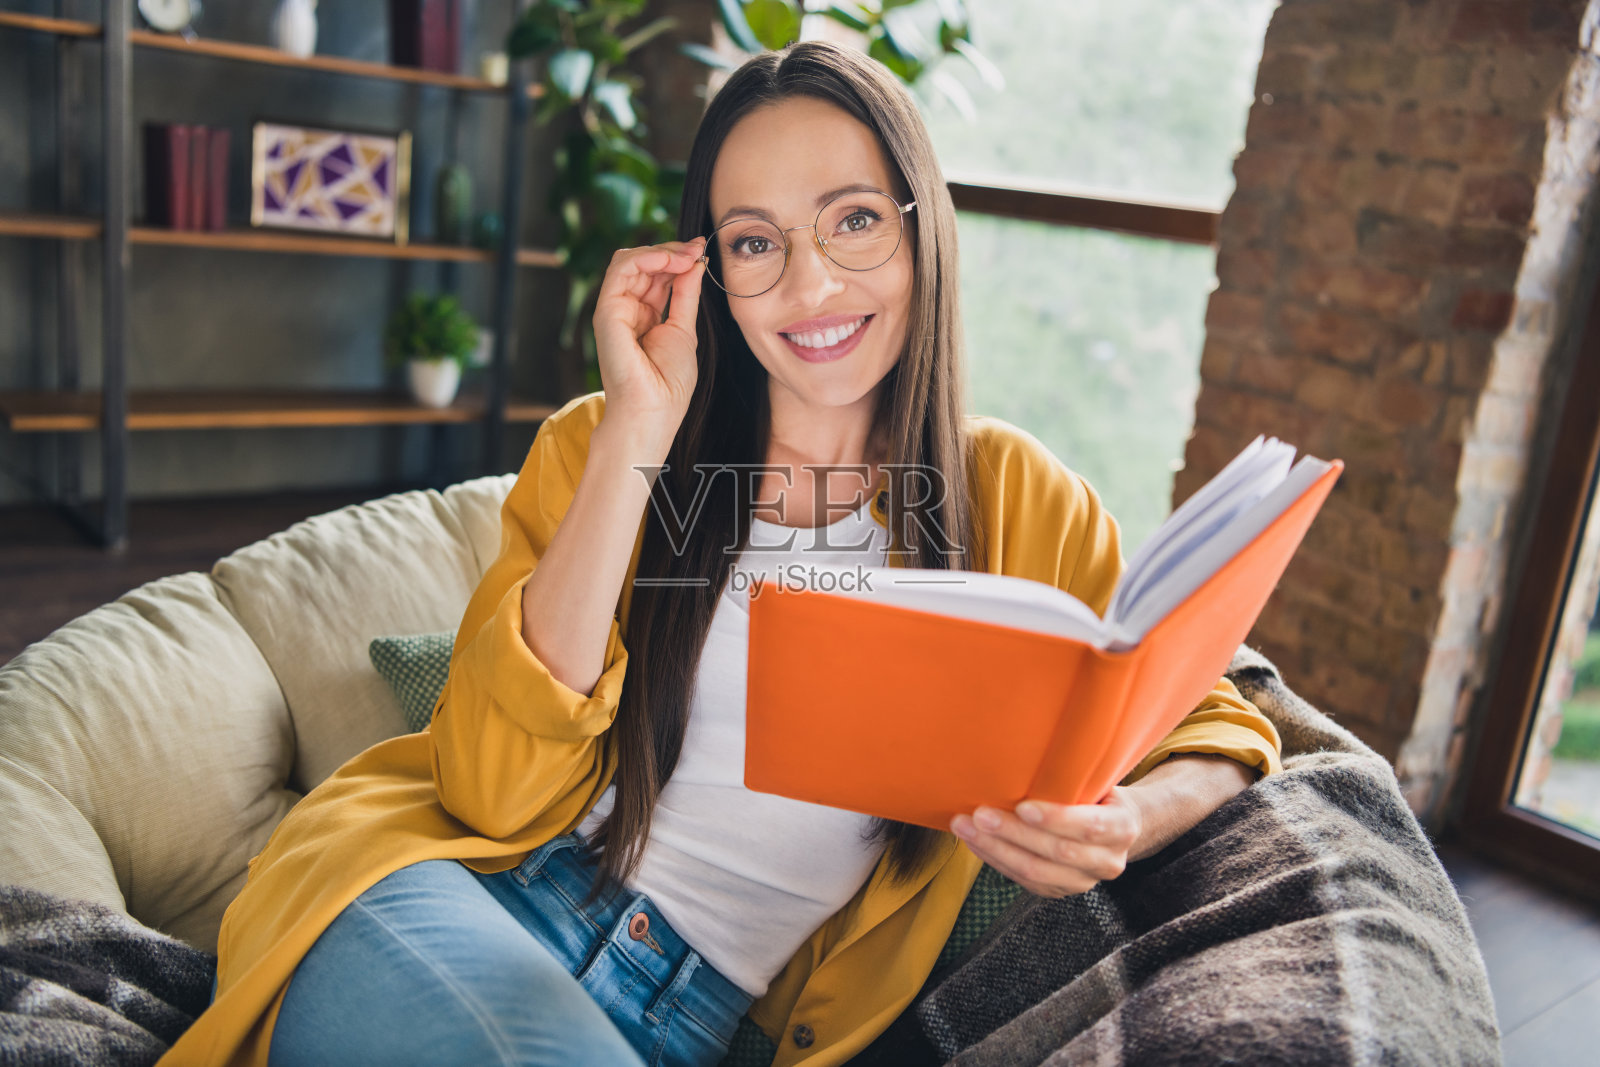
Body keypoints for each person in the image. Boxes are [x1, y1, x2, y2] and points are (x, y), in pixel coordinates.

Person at [161, 39, 1282, 1067]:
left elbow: (1221, 717)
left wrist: (1129, 820)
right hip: (451, 902)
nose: (809, 286)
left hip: (694, 1021)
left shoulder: (1022, 503)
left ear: (919, 223)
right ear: (709, 270)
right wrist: (638, 430)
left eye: (853, 221)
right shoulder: (605, 447)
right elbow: (491, 792)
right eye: (756, 242)